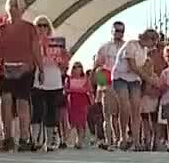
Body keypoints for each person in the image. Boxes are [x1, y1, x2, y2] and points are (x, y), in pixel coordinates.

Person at [0, 0, 38, 152]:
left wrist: (40, 68)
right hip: (6, 70)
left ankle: (24, 138)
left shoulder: (30, 28)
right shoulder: (2, 28)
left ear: (22, 9)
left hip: (24, 69)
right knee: (6, 101)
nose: (13, 8)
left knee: (22, 103)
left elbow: (35, 49)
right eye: (11, 5)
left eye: (16, 5)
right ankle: (8, 137)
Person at [111, 26, 155, 151]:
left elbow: (142, 67)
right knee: (124, 107)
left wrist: (148, 76)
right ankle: (122, 137)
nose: (153, 45)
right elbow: (132, 66)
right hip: (120, 77)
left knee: (136, 109)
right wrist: (148, 78)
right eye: (153, 41)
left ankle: (136, 140)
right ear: (148, 38)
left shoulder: (144, 51)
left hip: (134, 79)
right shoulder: (131, 45)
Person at [32, 16, 64, 152]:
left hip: (54, 81)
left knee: (52, 111)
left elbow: (63, 62)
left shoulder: (57, 43)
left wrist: (63, 62)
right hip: (37, 80)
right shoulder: (32, 42)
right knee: (37, 111)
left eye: (45, 25)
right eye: (39, 25)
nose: (42, 28)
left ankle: (50, 141)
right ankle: (35, 140)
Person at [94, 21, 126, 149]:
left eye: (121, 31)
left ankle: (120, 139)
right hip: (108, 83)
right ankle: (109, 140)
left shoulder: (126, 47)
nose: (119, 33)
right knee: (107, 114)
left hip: (123, 82)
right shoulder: (105, 47)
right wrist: (101, 87)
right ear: (112, 31)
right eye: (117, 30)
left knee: (121, 114)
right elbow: (97, 67)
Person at [65, 61, 92, 149]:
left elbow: (89, 89)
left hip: (82, 101)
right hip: (72, 101)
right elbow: (66, 89)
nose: (77, 69)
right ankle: (73, 138)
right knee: (74, 121)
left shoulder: (85, 78)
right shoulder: (69, 79)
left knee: (81, 121)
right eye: (75, 67)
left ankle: (80, 140)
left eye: (79, 67)